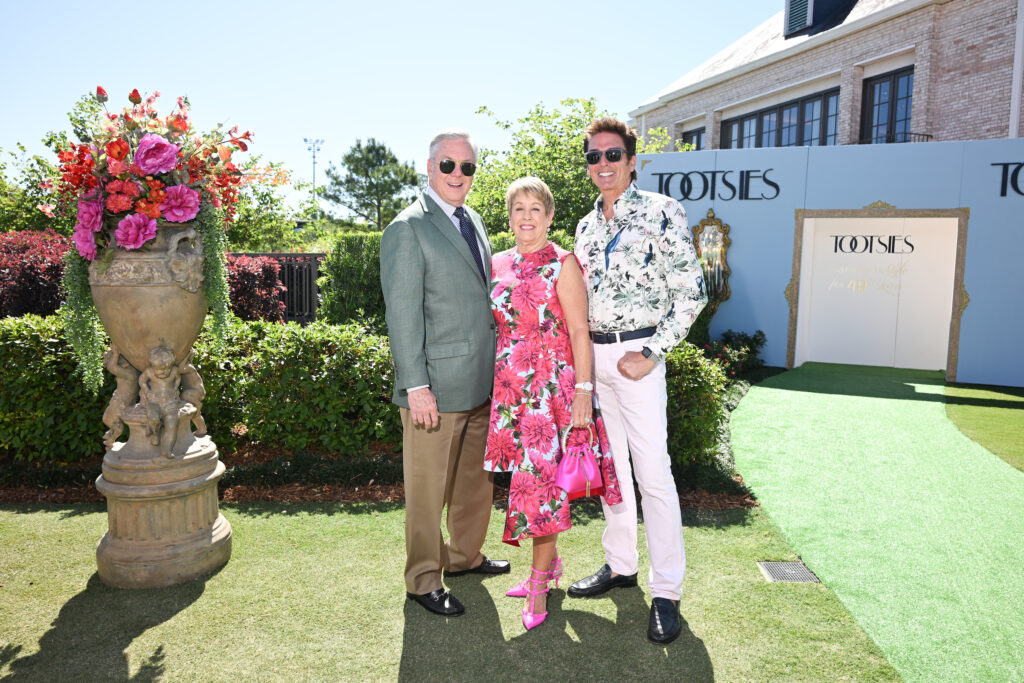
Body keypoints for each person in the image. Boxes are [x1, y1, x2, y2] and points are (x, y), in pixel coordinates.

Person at [568, 118, 708, 645]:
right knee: (612, 473)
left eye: (612, 155)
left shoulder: (662, 212)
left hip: (638, 357)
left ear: (632, 161)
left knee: (653, 474)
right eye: (593, 156)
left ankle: (667, 590)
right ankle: (620, 564)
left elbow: (692, 291)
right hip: (596, 363)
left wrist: (651, 353)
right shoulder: (584, 227)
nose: (602, 164)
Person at [380, 128, 509, 618]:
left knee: (474, 484)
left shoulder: (472, 218)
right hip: (433, 388)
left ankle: (463, 558)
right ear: (430, 167)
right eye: (449, 165)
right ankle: (422, 580)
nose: (459, 174)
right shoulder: (407, 228)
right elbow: (404, 315)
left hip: (481, 382)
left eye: (468, 166)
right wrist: (417, 386)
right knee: (427, 489)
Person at [483, 177, 622, 630]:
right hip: (511, 390)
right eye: (518, 209)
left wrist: (584, 391)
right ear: (509, 216)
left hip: (552, 393)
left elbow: (580, 331)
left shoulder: (563, 264)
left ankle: (541, 581)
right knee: (535, 483)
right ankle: (553, 564)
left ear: (549, 216)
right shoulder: (497, 264)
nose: (526, 217)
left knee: (540, 490)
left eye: (535, 209)